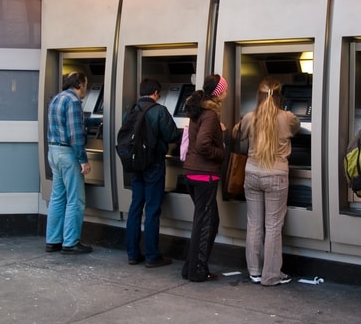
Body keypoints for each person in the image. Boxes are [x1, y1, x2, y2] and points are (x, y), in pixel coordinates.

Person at [238, 77, 300, 286]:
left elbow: (237, 133)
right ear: (279, 96)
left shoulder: (250, 117)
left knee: (254, 223)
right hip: (276, 175)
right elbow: (298, 128)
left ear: (259, 95)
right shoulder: (287, 117)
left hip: (252, 173)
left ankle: (254, 271)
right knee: (273, 226)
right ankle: (271, 275)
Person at [125, 78, 179, 268]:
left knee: (135, 207)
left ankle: (132, 253)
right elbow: (172, 135)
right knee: (152, 209)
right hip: (154, 164)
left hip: (136, 164)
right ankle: (152, 256)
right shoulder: (159, 111)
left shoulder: (131, 111)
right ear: (155, 92)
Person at [181, 74, 228, 282]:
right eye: (224, 88)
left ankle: (190, 267)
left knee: (208, 221)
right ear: (218, 92)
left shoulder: (199, 111)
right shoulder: (209, 115)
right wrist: (221, 154)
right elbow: (202, 144)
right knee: (205, 224)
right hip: (204, 175)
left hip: (192, 171)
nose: (227, 91)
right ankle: (197, 271)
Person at [45, 72, 94, 254]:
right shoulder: (73, 101)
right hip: (68, 153)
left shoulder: (57, 99)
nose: (86, 90)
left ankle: (53, 240)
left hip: (54, 151)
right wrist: (83, 160)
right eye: (86, 86)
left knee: (57, 197)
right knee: (76, 199)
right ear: (79, 84)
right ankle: (71, 242)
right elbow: (75, 134)